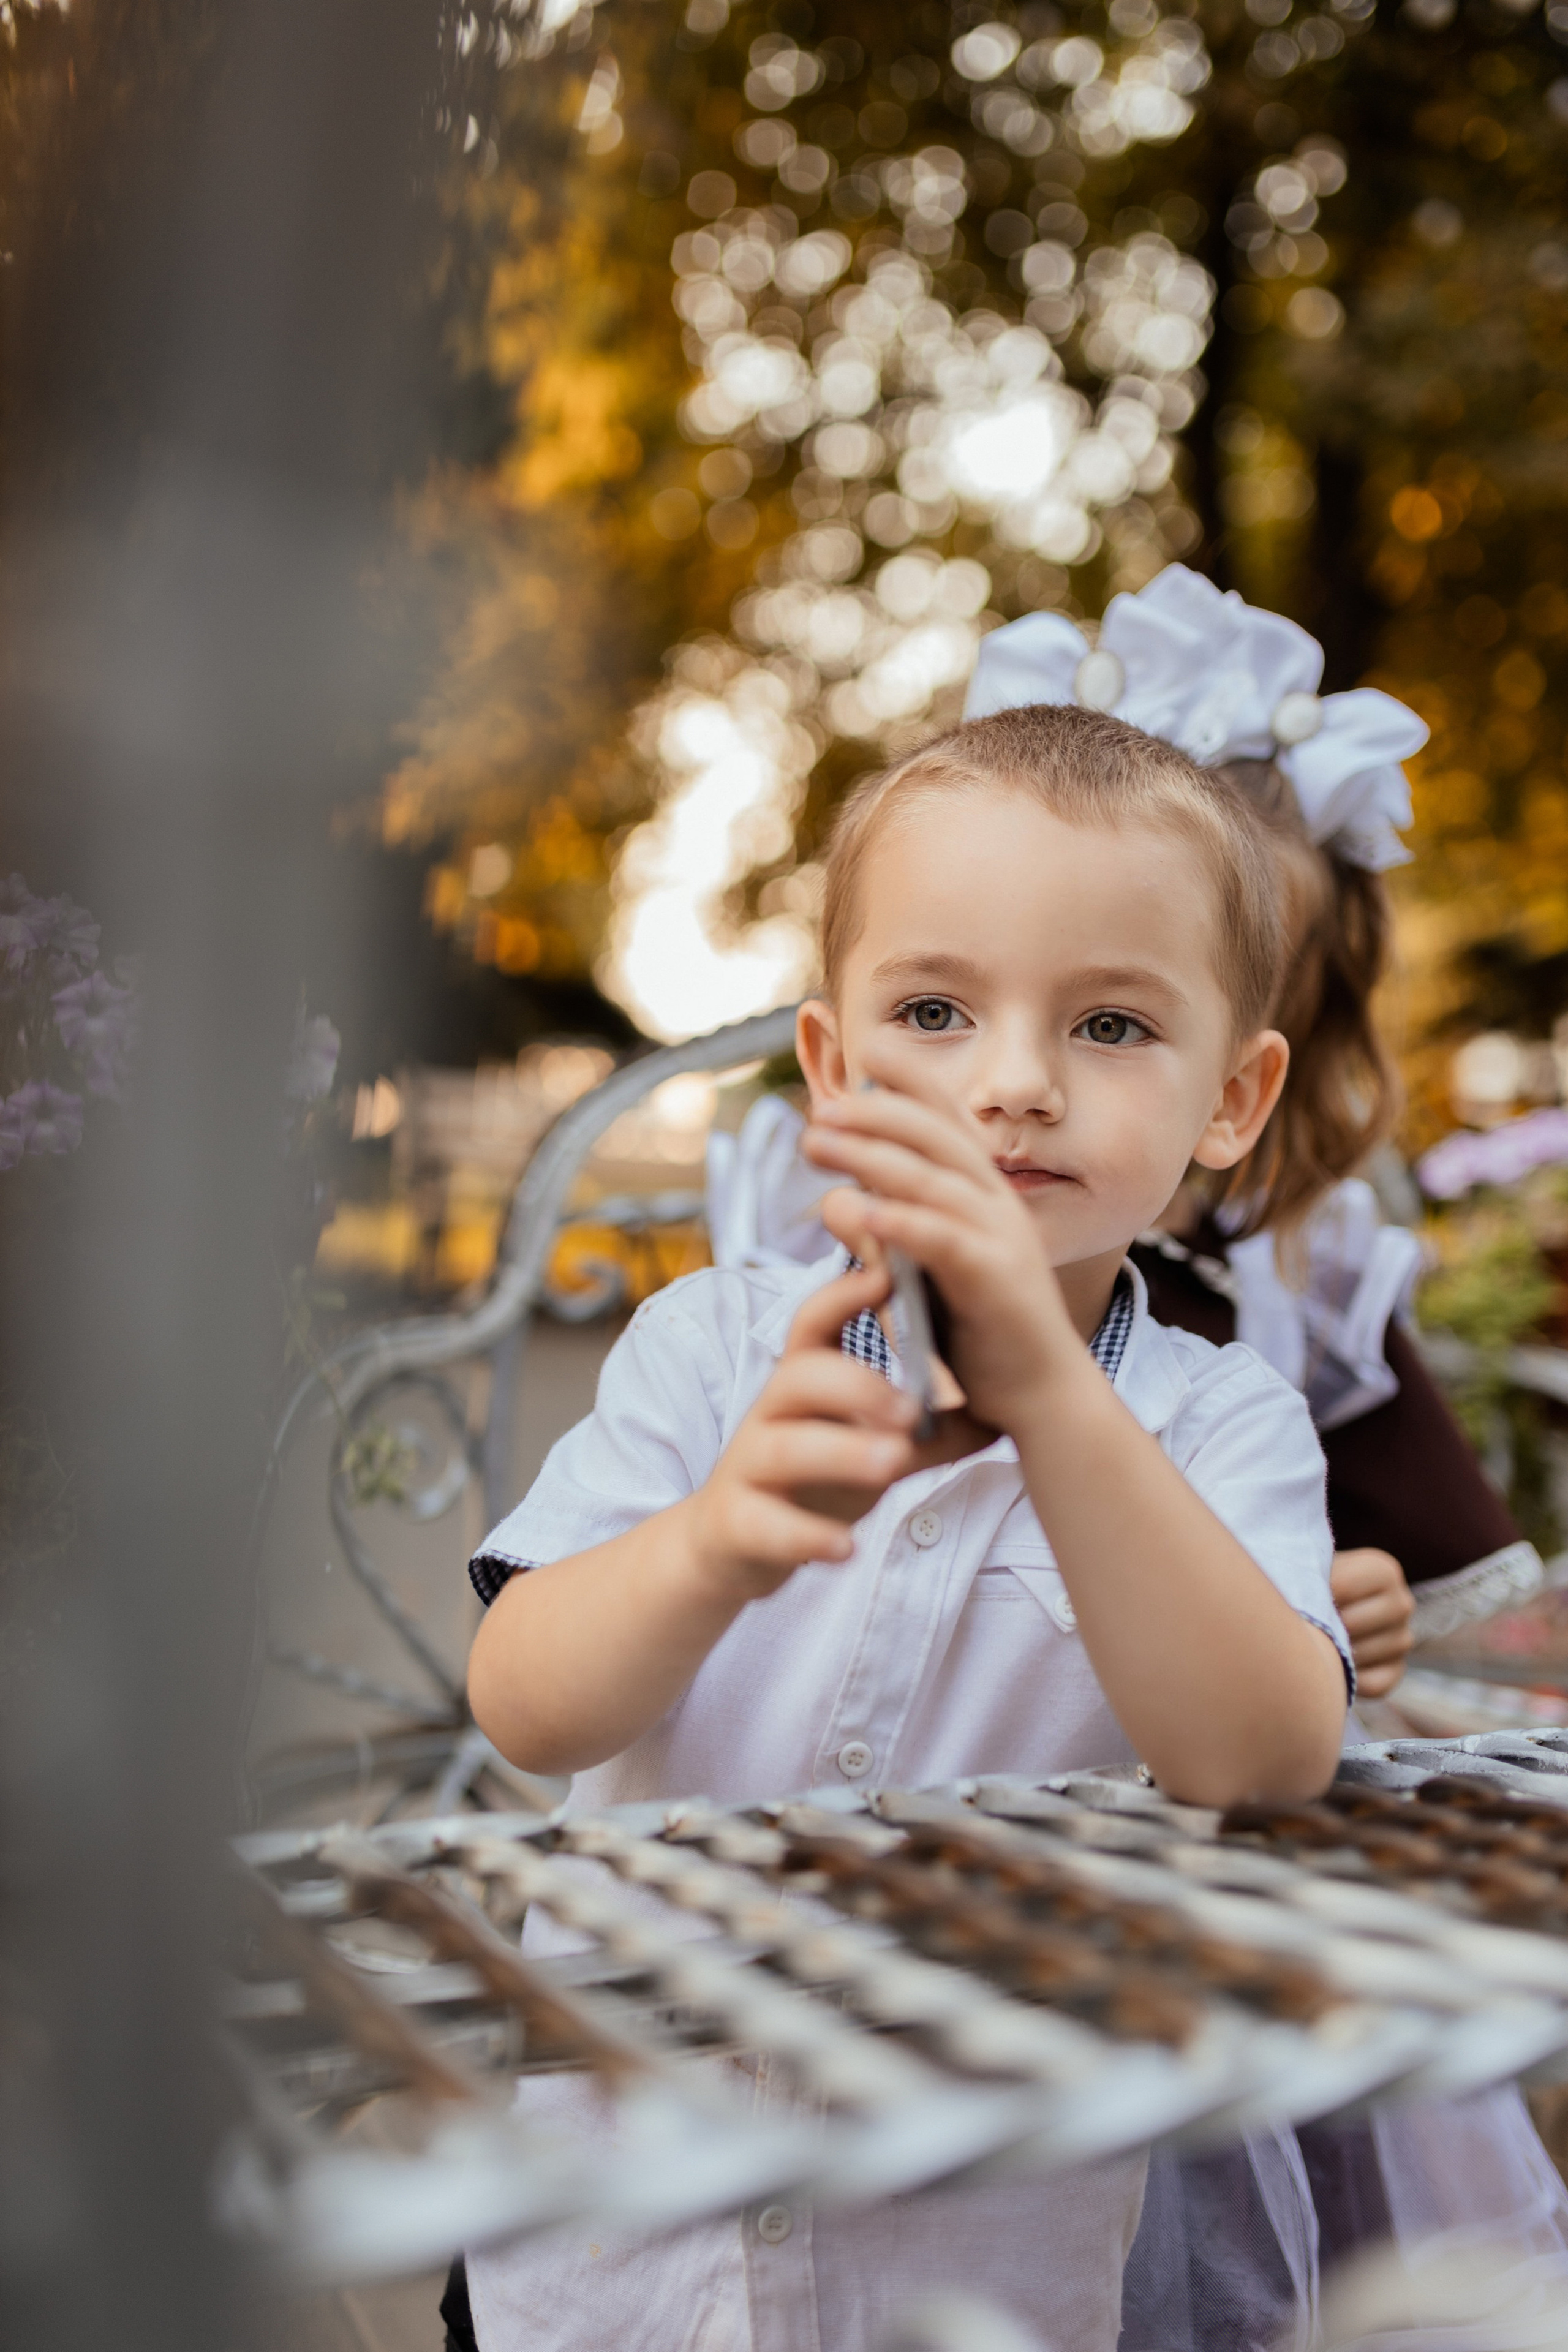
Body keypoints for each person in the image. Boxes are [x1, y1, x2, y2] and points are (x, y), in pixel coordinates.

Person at [459, 697, 1354, 2352]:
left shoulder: (1217, 1424)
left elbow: (1265, 1759)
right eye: (936, 1009)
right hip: (626, 2250)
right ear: (832, 1065)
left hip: (981, 2268)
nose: (1013, 1087)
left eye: (1110, 1028)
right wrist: (713, 1543)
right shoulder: (714, 1352)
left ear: (1231, 1102)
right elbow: (522, 1701)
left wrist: (1055, 1400)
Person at [958, 565, 1565, 2351]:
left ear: (1271, 1058)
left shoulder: (1306, 1272)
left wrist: (1348, 1611)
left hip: (1226, 1828)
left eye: (1151, 1020)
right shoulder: (888, 1248)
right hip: (950, 1782)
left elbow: (1412, 1586)